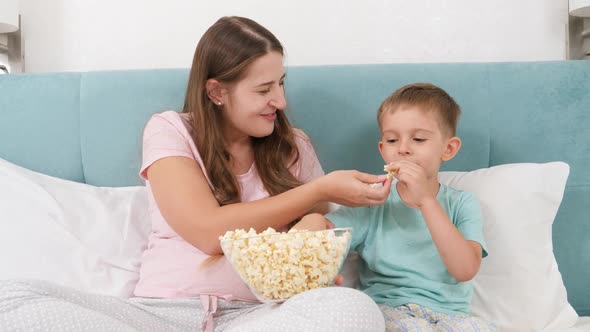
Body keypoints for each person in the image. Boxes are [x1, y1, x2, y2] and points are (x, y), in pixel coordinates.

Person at [0, 16, 392, 332]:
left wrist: (314, 227)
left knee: (352, 310)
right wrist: (315, 191)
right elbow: (208, 232)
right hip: (160, 316)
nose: (281, 101)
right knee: (12, 300)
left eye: (281, 84)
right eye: (264, 89)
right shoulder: (170, 131)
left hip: (260, 318)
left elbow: (320, 229)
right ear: (217, 92)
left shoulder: (294, 146)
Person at [293, 83, 496, 331]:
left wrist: (426, 202)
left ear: (448, 148)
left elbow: (465, 269)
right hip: (387, 310)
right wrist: (311, 222)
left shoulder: (462, 204)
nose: (403, 148)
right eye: (392, 140)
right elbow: (323, 236)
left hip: (451, 316)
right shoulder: (372, 203)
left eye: (419, 139)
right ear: (383, 150)